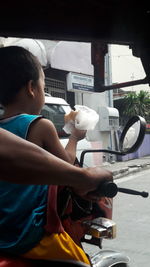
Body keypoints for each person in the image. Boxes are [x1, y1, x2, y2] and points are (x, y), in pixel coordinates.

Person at [0, 46, 112, 265]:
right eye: (43, 84)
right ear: (32, 88)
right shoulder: (40, 125)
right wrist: (75, 137)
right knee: (82, 263)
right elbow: (67, 165)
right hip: (30, 235)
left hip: (3, 231)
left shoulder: (3, 128)